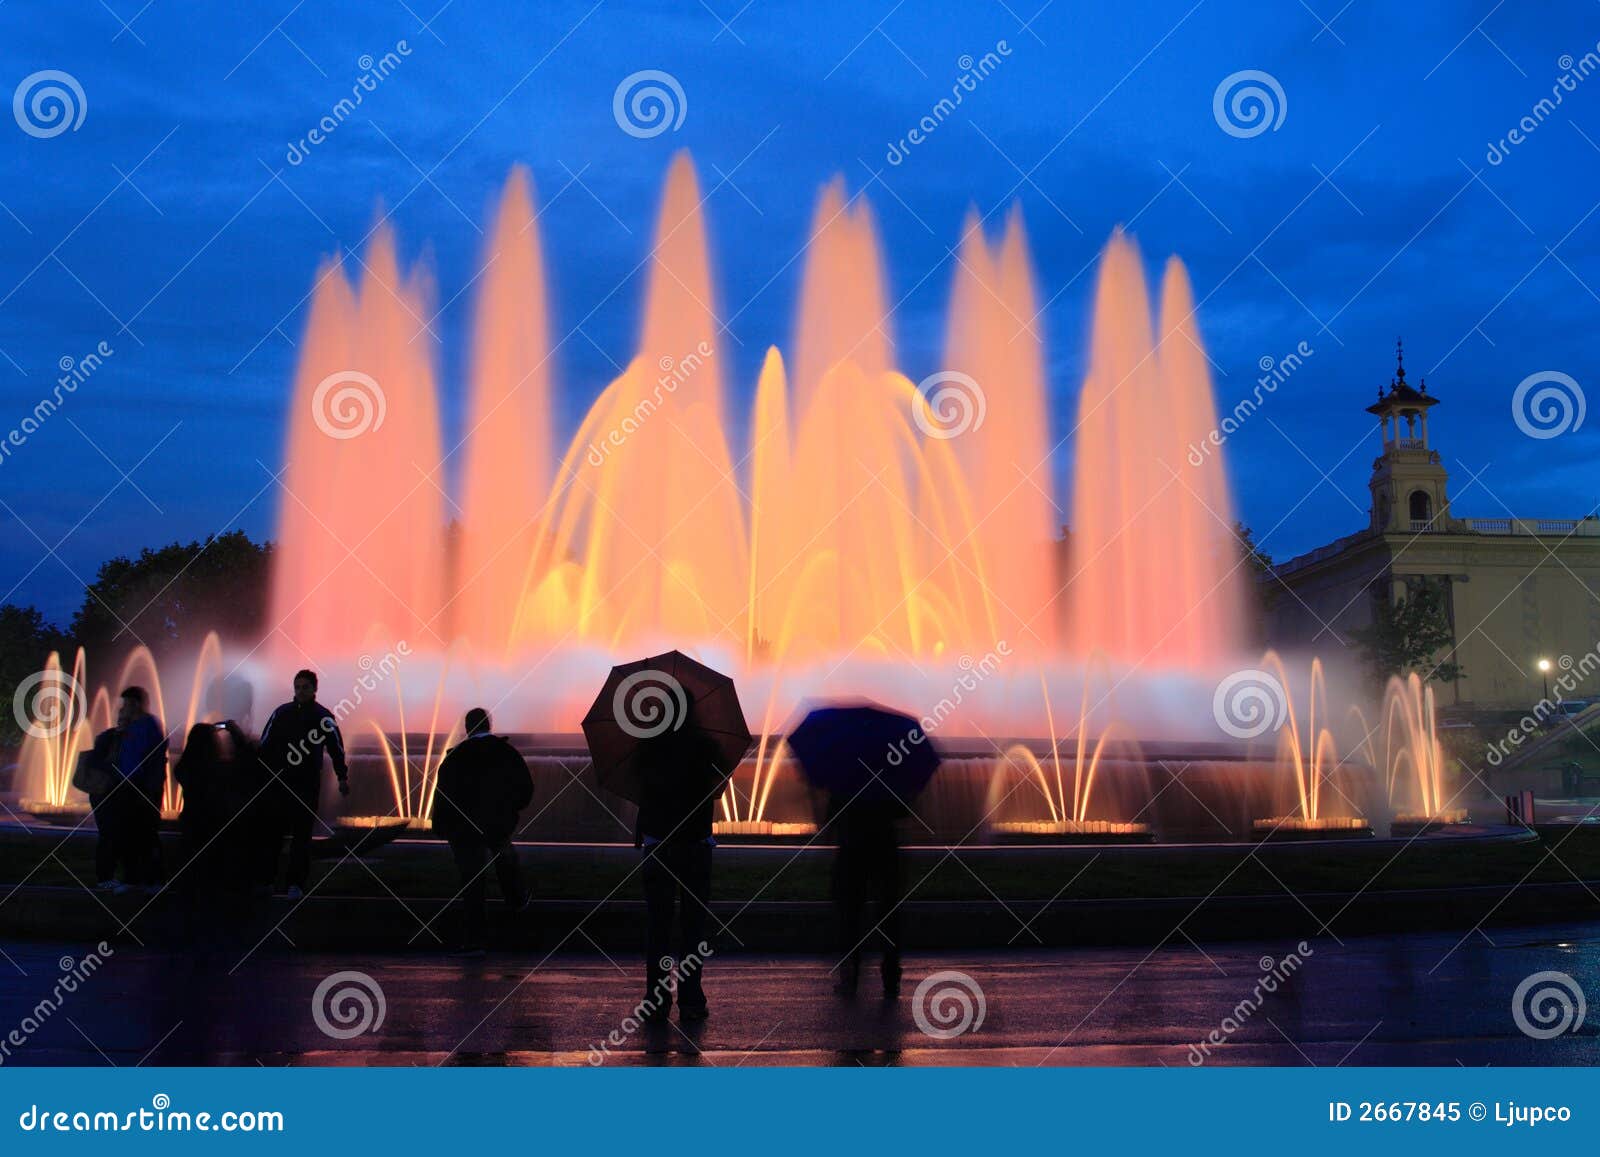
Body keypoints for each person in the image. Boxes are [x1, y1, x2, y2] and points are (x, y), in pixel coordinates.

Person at [634, 719, 724, 1021]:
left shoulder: (648, 744)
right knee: (693, 925)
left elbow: (635, 787)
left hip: (658, 843)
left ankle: (656, 1001)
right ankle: (691, 1000)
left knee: (659, 926)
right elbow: (720, 786)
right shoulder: (706, 745)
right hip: (696, 843)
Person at [431, 708, 534, 956]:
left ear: (467, 729)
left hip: (464, 828)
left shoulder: (455, 757)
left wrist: (441, 824)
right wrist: (512, 811)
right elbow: (525, 788)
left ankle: (475, 940)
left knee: (472, 882)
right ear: (489, 725)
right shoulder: (506, 753)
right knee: (507, 866)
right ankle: (518, 915)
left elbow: (443, 794)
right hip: (497, 823)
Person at [258, 669, 349, 901]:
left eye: (305, 687)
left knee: (301, 836)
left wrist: (342, 777)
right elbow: (265, 745)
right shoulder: (281, 713)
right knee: (272, 834)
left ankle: (295, 883)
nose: (300, 691)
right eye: (297, 687)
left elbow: (336, 749)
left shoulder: (323, 717)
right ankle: (267, 880)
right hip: (280, 782)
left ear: (314, 689)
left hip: (307, 783)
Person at [173, 718, 262, 910]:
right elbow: (249, 761)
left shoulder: (184, 769)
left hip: (191, 825)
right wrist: (237, 735)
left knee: (193, 877)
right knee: (214, 877)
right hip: (215, 828)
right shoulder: (219, 769)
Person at [90, 686, 169, 895]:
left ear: (137, 704)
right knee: (128, 835)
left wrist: (149, 789)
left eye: (128, 703)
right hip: (124, 789)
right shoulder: (126, 729)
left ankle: (149, 879)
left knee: (144, 834)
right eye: (124, 704)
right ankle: (134, 879)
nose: (124, 708)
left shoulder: (147, 726)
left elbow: (149, 760)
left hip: (139, 788)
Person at [828, 792, 907, 998]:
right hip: (885, 843)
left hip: (852, 845)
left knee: (850, 911)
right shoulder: (889, 773)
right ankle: (891, 974)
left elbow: (836, 805)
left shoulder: (847, 774)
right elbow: (902, 807)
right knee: (888, 909)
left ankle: (850, 974)